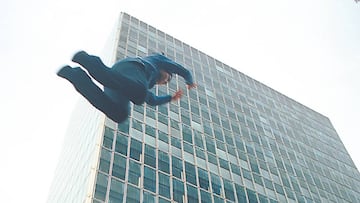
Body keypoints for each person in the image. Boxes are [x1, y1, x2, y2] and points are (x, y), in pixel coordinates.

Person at [57, 50, 197, 123]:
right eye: (167, 79)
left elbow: (152, 100)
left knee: (120, 115)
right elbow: (180, 69)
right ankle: (87, 60)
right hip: (132, 67)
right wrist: (189, 80)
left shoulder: (143, 86)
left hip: (119, 84)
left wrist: (171, 98)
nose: (164, 82)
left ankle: (76, 77)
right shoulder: (158, 61)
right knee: (139, 93)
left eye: (165, 84)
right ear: (166, 70)